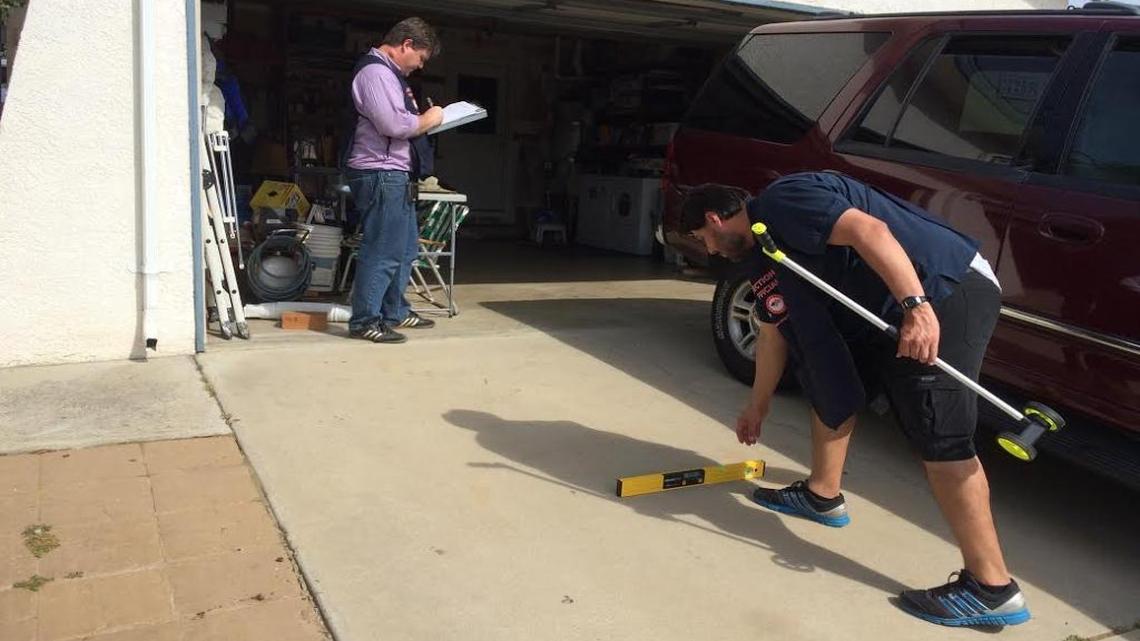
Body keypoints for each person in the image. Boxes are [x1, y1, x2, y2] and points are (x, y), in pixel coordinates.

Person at [681, 171, 1028, 628]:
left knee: (939, 432)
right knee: (828, 371)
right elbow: (772, 332)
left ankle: (992, 587)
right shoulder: (764, 254)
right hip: (892, 306)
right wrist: (758, 406)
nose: (706, 249)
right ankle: (822, 495)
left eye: (702, 237)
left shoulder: (784, 201)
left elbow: (870, 231)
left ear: (714, 219)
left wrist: (917, 308)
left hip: (945, 288)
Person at [343, 17, 444, 343]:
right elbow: (393, 125)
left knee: (403, 249)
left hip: (395, 172)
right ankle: (365, 321)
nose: (419, 66)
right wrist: (429, 118)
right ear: (406, 45)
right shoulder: (375, 72)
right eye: (421, 58)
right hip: (380, 171)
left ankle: (394, 311)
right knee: (383, 249)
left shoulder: (390, 75)